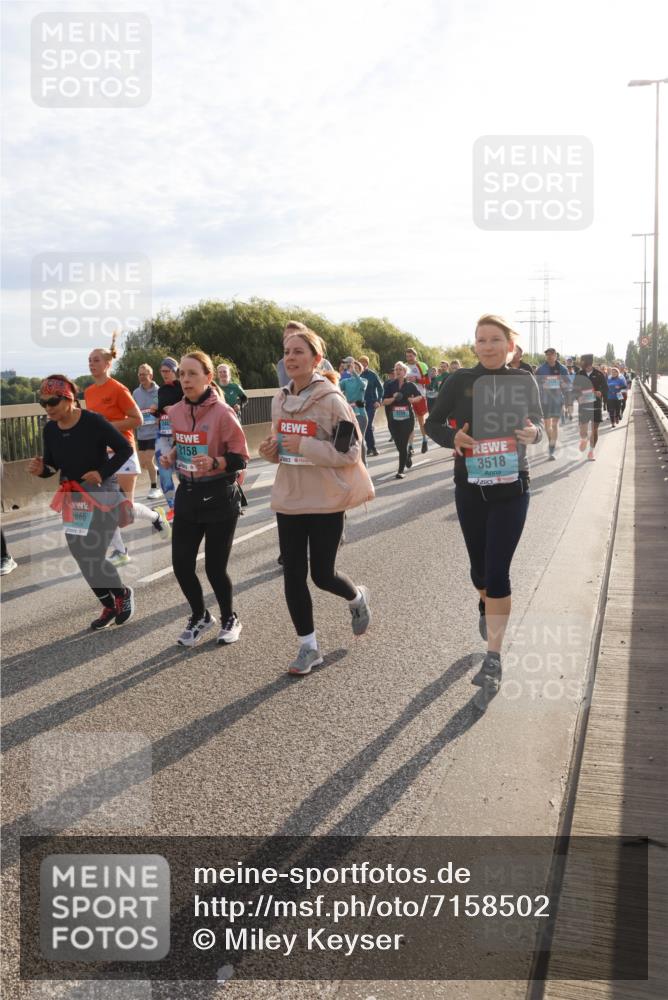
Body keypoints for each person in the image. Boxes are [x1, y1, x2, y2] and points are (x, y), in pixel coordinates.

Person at [426, 315, 544, 711]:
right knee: (478, 572)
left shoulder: (524, 380)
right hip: (470, 488)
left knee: (497, 572)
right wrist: (451, 437)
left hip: (513, 487)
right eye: (481, 340)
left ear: (511, 345)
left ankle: (493, 658)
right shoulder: (459, 381)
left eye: (496, 339)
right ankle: (485, 604)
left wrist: (534, 434)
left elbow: (538, 423)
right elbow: (432, 422)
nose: (488, 346)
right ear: (474, 345)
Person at [259, 326, 374, 675]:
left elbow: (350, 452)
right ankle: (308, 647)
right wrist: (270, 452)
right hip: (290, 498)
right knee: (293, 575)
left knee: (323, 575)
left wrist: (305, 446)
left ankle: (357, 598)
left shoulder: (331, 400)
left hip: (325, 499)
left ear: (316, 359)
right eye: (287, 352)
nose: (291, 358)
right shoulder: (279, 399)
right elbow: (281, 447)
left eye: (299, 352)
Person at [27, 375, 135, 629]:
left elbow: (125, 449)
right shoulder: (50, 429)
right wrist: (40, 469)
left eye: (52, 402)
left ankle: (122, 594)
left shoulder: (93, 422)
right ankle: (109, 604)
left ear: (69, 399)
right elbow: (52, 465)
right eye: (43, 404)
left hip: (102, 493)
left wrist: (101, 472)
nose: (48, 408)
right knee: (80, 554)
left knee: (94, 554)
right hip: (73, 497)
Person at [159, 351, 250, 647]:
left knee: (214, 567)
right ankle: (200, 615)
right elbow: (181, 441)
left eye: (192, 373)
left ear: (208, 378)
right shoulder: (175, 412)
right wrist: (172, 455)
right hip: (187, 493)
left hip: (220, 496)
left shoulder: (224, 413)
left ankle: (229, 618)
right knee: (181, 564)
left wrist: (216, 462)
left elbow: (242, 458)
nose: (185, 379)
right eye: (182, 374)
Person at [85, 337, 171, 566]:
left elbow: (138, 419)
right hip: (103, 455)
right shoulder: (90, 392)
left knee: (124, 511)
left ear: (107, 364)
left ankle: (156, 518)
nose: (91, 364)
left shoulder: (118, 389)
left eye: (95, 360)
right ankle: (121, 551)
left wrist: (107, 427)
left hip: (123, 452)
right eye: (89, 360)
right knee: (105, 506)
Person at [152, 357, 183, 515]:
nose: (164, 374)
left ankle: (186, 504)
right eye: (162, 371)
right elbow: (163, 408)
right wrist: (156, 411)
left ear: (175, 371)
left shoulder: (183, 386)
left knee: (182, 471)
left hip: (181, 435)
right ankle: (173, 507)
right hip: (163, 435)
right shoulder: (162, 389)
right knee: (164, 473)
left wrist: (173, 409)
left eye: (167, 371)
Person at [382, 362, 423, 479]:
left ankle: (400, 471)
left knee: (403, 442)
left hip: (407, 419)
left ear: (405, 372)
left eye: (400, 369)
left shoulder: (410, 385)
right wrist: (393, 397)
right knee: (399, 444)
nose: (398, 371)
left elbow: (419, 397)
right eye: (396, 369)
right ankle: (407, 454)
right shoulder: (390, 385)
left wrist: (412, 399)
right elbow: (384, 401)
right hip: (393, 419)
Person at [132, 363, 161, 499]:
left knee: (149, 460)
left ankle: (154, 488)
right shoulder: (136, 393)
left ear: (151, 375)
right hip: (142, 433)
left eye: (144, 374)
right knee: (144, 464)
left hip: (155, 432)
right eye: (139, 374)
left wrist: (159, 416)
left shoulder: (159, 391)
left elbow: (165, 409)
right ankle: (158, 472)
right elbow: (133, 412)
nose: (142, 377)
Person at [534, 348, 569, 460]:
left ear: (556, 356)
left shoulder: (562, 369)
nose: (549, 356)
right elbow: (535, 384)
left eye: (551, 354)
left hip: (558, 400)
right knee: (547, 426)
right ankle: (551, 442)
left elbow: (568, 384)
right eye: (547, 355)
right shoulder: (540, 369)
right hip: (544, 400)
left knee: (554, 425)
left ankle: (552, 448)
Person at [574, 354, 607, 460]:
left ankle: (591, 451)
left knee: (594, 430)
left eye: (582, 361)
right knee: (583, 431)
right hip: (583, 406)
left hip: (595, 406)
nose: (580, 363)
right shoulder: (579, 374)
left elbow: (605, 389)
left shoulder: (599, 374)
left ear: (588, 362)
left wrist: (600, 392)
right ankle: (584, 439)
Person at [339, 359, 368, 460]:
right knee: (349, 441)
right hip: (348, 414)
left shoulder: (364, 380)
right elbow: (335, 388)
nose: (353, 369)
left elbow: (362, 386)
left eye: (356, 368)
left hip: (360, 414)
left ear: (360, 370)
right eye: (352, 368)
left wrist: (354, 373)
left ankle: (364, 463)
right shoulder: (345, 382)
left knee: (360, 439)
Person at [404, 347, 430, 452]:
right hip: (408, 397)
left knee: (420, 420)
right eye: (407, 356)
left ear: (415, 356)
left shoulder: (422, 365)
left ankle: (424, 440)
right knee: (409, 422)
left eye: (411, 356)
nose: (409, 358)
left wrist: (416, 379)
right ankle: (410, 446)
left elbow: (428, 381)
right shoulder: (404, 366)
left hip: (420, 396)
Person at [358, 355, 384, 456]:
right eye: (361, 362)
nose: (363, 364)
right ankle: (365, 448)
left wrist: (379, 400)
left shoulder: (372, 375)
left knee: (368, 425)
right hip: (359, 404)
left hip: (371, 403)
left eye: (365, 362)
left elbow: (380, 388)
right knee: (361, 426)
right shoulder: (356, 375)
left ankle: (372, 447)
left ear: (367, 364)